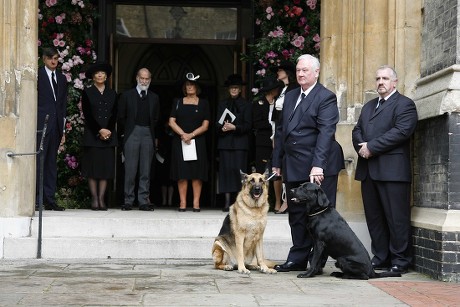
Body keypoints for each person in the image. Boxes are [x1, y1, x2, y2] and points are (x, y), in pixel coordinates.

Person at [271, 54, 344, 272]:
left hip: (318, 165)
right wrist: (277, 162)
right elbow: (282, 130)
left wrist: (318, 165)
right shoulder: (291, 96)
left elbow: (326, 133)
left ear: (316, 72)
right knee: (296, 214)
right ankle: (297, 258)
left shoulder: (326, 97)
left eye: (305, 70)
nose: (301, 74)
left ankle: (317, 262)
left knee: (320, 217)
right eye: (298, 70)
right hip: (293, 163)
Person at [352, 65, 418, 274]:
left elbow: (401, 131)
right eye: (378, 78)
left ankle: (400, 260)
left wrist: (371, 147)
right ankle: (381, 257)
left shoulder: (405, 105)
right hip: (368, 170)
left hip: (393, 172)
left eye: (385, 79)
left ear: (394, 82)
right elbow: (357, 130)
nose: (381, 82)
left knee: (396, 218)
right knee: (375, 218)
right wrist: (362, 147)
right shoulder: (369, 106)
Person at [117, 68, 160, 211]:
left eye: (147, 79)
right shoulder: (127, 95)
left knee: (145, 170)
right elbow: (121, 117)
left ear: (150, 80)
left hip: (148, 132)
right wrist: (128, 131)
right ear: (137, 78)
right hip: (132, 132)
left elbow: (156, 118)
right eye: (142, 78)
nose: (144, 81)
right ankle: (128, 200)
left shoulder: (154, 97)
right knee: (130, 169)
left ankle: (143, 201)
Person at [169, 73, 210, 212]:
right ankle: (182, 203)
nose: (190, 87)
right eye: (187, 85)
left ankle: (196, 203)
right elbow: (171, 121)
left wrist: (191, 135)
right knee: (182, 173)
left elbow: (206, 125)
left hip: (197, 141)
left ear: (197, 87)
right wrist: (183, 135)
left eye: (192, 85)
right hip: (180, 141)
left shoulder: (204, 103)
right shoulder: (178, 102)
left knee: (197, 174)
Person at [81, 62, 117, 211]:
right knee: (92, 169)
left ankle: (102, 198)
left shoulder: (113, 93)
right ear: (93, 77)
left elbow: (114, 114)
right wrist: (99, 130)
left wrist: (107, 130)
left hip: (108, 136)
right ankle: (94, 199)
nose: (100, 75)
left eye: (102, 73)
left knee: (104, 169)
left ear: (106, 76)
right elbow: (87, 115)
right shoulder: (87, 92)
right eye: (97, 73)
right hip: (92, 136)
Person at [36, 47, 68, 211]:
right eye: (50, 58)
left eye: (56, 58)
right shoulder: (37, 75)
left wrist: (62, 130)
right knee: (37, 161)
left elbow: (62, 106)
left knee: (50, 163)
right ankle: (35, 199)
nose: (53, 61)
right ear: (43, 59)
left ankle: (49, 199)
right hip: (40, 125)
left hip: (56, 126)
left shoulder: (62, 79)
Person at [216, 74, 252, 212]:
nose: (234, 90)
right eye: (232, 88)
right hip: (225, 143)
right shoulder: (222, 104)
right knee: (225, 173)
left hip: (240, 144)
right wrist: (223, 127)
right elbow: (216, 124)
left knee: (239, 173)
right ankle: (226, 202)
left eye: (236, 88)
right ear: (228, 89)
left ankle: (239, 203)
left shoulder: (247, 104)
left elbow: (248, 126)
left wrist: (235, 127)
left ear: (240, 89)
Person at [270, 60, 299, 214]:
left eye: (280, 70)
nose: (278, 72)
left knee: (287, 165)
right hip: (279, 130)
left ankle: (288, 200)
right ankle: (282, 200)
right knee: (278, 165)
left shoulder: (295, 89)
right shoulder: (283, 89)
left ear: (287, 73)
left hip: (288, 132)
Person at [252, 76, 282, 174]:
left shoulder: (279, 102)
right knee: (262, 169)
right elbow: (256, 123)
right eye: (275, 88)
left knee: (275, 169)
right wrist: (270, 125)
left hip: (277, 141)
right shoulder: (258, 103)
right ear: (271, 90)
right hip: (263, 141)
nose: (277, 90)